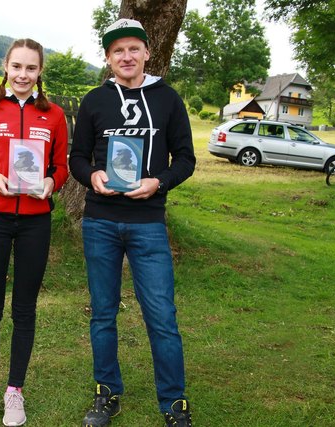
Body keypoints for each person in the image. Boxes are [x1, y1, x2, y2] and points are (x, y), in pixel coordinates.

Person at [68, 19, 196, 427]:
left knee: (161, 313)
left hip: (148, 223)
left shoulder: (168, 99)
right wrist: (92, 176)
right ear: (108, 58)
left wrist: (159, 182)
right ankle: (107, 394)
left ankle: (173, 402)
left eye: (133, 49)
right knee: (103, 313)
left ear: (146, 53)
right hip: (100, 221)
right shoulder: (94, 100)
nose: (126, 56)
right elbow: (78, 157)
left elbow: (187, 160)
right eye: (117, 50)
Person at [0, 38, 69, 426]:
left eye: (31, 68)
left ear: (40, 72)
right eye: (17, 67)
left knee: (24, 309)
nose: (23, 75)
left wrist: (53, 183)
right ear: (6, 67)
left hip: (36, 222)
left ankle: (14, 391)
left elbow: (62, 168)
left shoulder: (53, 115)